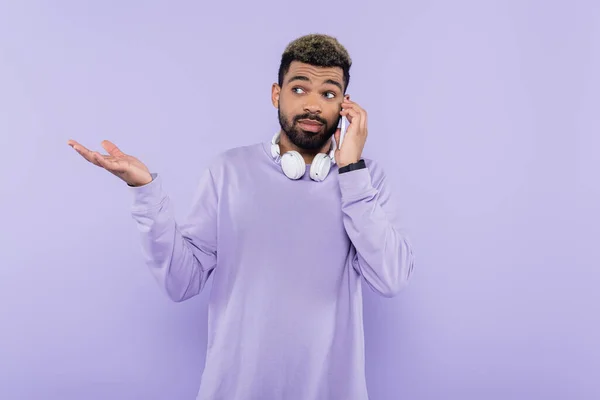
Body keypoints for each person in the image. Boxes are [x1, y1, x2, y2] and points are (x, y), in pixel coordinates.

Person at [68, 33, 415, 400]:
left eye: (328, 94)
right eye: (299, 89)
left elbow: (391, 279)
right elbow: (179, 281)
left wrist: (352, 173)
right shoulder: (228, 171)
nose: (313, 105)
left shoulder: (365, 179)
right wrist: (145, 192)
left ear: (346, 106)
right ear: (275, 94)